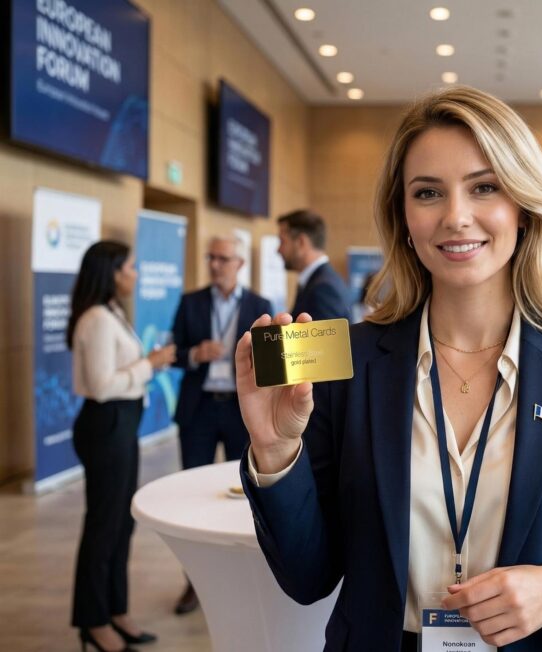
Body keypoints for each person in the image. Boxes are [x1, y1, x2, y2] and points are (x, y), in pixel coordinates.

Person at [235, 86, 542, 650]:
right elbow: (308, 577)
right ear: (404, 217)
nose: (456, 217)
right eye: (428, 192)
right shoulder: (348, 361)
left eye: (484, 187)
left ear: (523, 207)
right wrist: (274, 451)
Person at [68, 240, 176, 652]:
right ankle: (93, 622)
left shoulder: (111, 312)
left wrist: (146, 364)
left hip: (121, 422)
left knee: (120, 523)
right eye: (130, 266)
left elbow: (117, 372)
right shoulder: (96, 318)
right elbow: (100, 385)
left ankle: (116, 611)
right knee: (103, 524)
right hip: (105, 423)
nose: (135, 273)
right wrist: (150, 364)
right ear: (111, 273)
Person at [169, 235, 272, 614]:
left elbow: (271, 359)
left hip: (240, 410)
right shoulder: (190, 302)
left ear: (239, 264)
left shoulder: (260, 306)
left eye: (222, 258)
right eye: (210, 257)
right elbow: (175, 353)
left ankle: (242, 579)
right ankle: (194, 583)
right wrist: (195, 354)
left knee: (246, 494)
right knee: (191, 493)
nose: (214, 265)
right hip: (198, 409)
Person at [277, 209, 351, 321]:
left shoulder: (323, 289)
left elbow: (327, 333)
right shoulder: (318, 282)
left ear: (301, 242)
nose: (278, 250)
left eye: (282, 241)